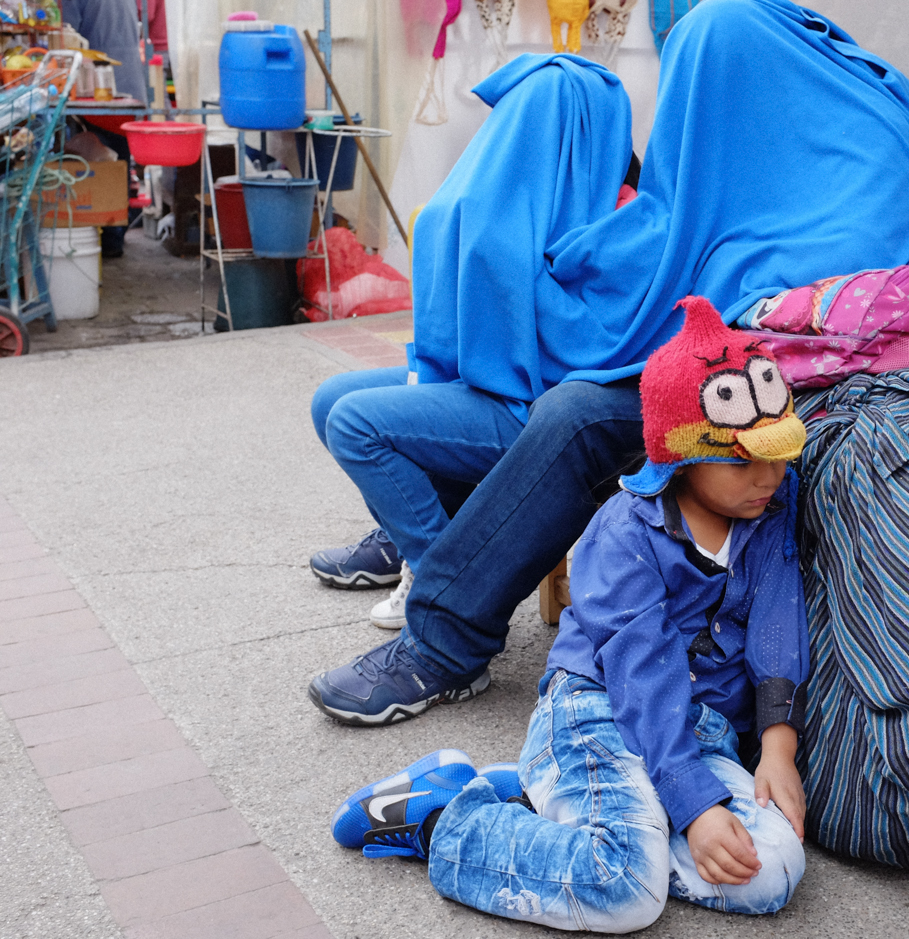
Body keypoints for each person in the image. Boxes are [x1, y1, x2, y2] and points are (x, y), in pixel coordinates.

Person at [306, 0, 909, 725]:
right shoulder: (831, 118)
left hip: (781, 386)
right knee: (542, 398)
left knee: (575, 415)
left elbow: (750, 275)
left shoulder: (842, 156)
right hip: (731, 365)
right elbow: (676, 236)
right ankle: (438, 562)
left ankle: (443, 646)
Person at [327, 299, 809, 931]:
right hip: (598, 711)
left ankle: (554, 806)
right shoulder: (623, 532)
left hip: (698, 732)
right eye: (744, 459)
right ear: (680, 455)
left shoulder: (767, 512)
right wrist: (693, 802)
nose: (769, 475)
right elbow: (641, 668)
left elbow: (778, 622)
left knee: (770, 870)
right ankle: (442, 817)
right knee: (626, 889)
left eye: (779, 452)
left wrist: (777, 747)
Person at [58, 0, 147, 258]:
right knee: (119, 159)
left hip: (98, 91)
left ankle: (95, 230)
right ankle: (114, 235)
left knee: (90, 158)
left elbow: (69, 37)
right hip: (130, 89)